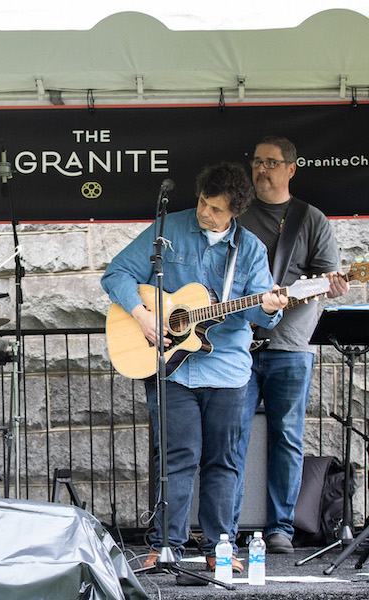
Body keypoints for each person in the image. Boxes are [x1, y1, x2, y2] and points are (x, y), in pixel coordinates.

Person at [101, 162, 287, 573]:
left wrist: (270, 307)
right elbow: (116, 273)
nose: (206, 212)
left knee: (223, 460)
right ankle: (165, 544)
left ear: (234, 212)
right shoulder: (169, 227)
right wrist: (142, 314)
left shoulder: (251, 248)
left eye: (217, 209)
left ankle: (220, 548)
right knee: (175, 457)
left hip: (227, 370)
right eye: (204, 202)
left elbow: (261, 309)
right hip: (172, 367)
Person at [232, 136, 348, 553]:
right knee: (232, 435)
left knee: (286, 437)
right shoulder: (236, 216)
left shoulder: (310, 218)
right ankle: (226, 526)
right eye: (257, 162)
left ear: (291, 168)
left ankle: (280, 527)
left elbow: (327, 280)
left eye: (270, 163)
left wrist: (331, 287)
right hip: (235, 344)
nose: (261, 169)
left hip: (290, 344)